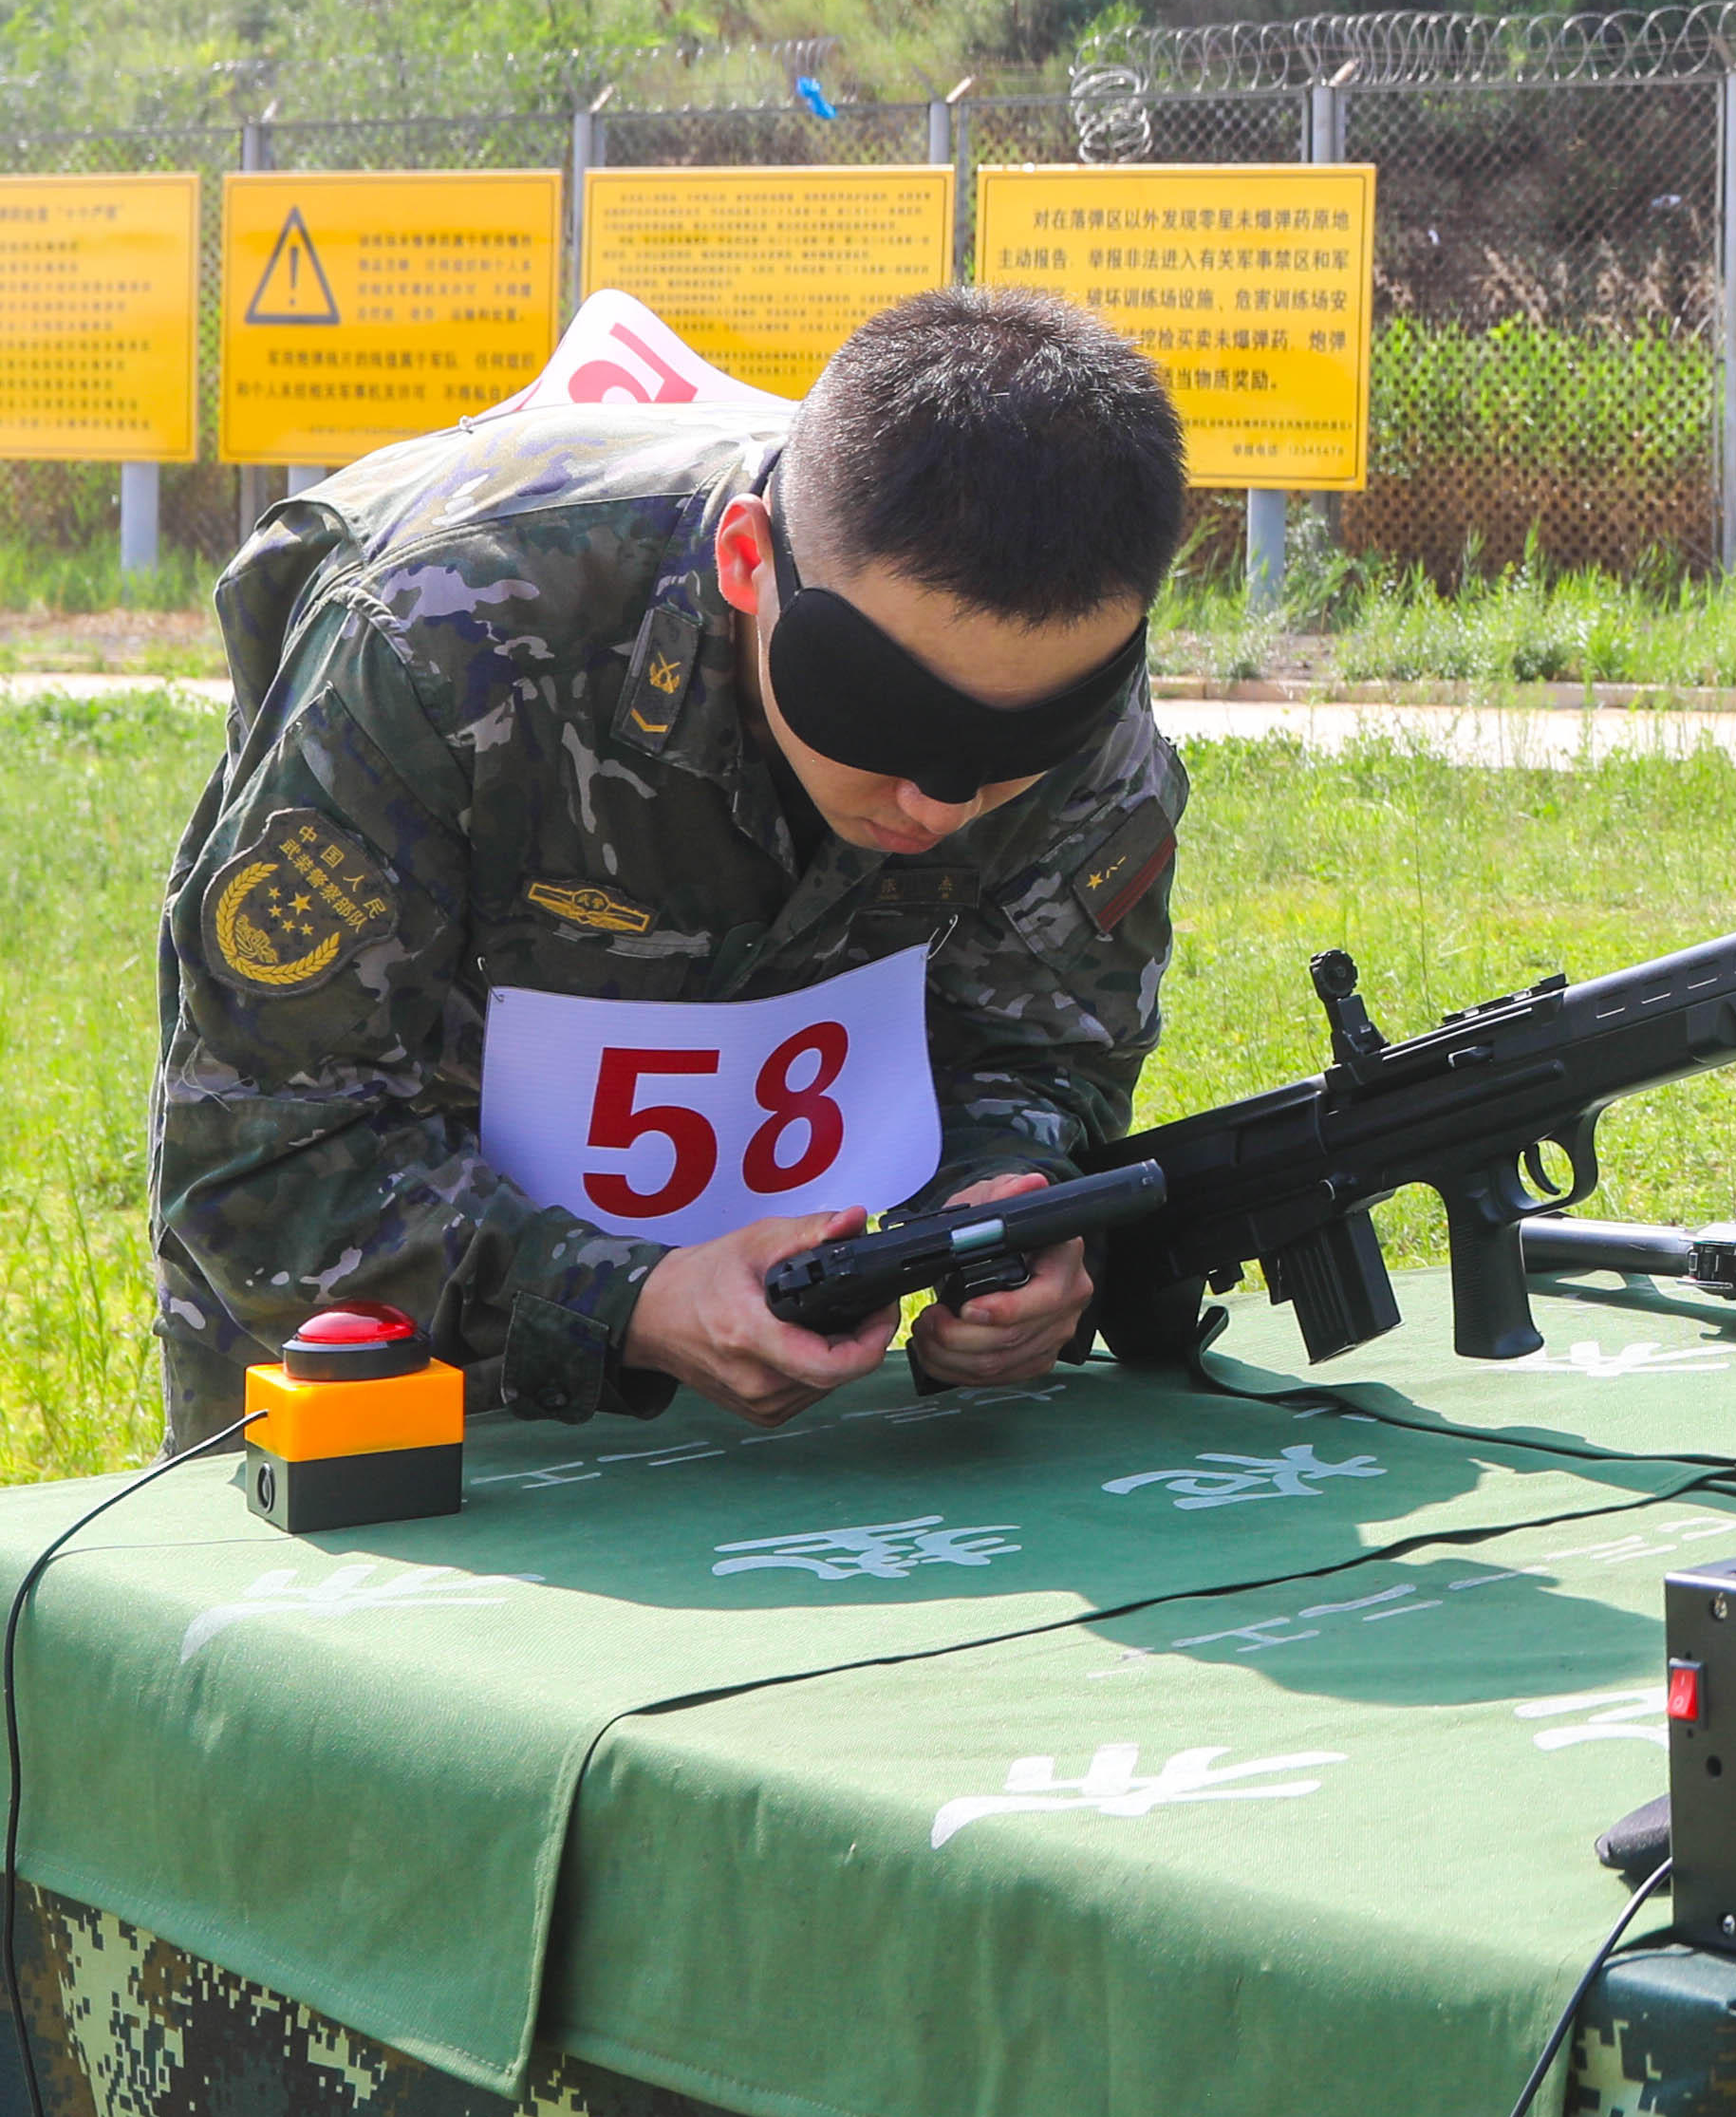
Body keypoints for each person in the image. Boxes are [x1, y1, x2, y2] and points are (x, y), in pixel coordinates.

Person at [154, 285, 1197, 1442]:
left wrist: (1011, 1210)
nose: (943, 796)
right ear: (750, 561)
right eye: (880, 710)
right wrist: (630, 1298)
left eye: (1019, 745)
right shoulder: (444, 638)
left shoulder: (1059, 680)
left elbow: (1043, 1055)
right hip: (388, 1367)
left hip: (818, 1412)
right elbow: (260, 1166)